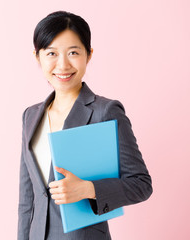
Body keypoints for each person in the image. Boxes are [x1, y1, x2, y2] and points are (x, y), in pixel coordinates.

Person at [18, 11, 153, 240]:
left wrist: (89, 189)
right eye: (51, 53)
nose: (63, 64)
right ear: (37, 57)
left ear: (88, 55)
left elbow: (141, 184)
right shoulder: (30, 116)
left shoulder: (106, 111)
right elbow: (27, 200)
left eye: (73, 52)